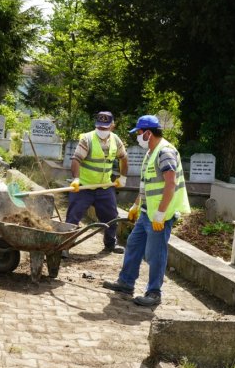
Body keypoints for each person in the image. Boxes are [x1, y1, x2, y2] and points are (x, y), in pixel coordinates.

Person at [102, 114, 190, 307]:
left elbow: (170, 184)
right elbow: (146, 186)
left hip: (160, 215)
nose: (137, 137)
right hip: (146, 212)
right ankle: (126, 283)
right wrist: (135, 205)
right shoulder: (151, 152)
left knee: (155, 253)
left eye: (139, 133)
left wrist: (161, 213)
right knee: (133, 244)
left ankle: (154, 293)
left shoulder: (165, 152)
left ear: (148, 133)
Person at [66, 111, 129, 255]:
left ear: (112, 126)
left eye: (105, 128)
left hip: (105, 187)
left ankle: (110, 244)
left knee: (112, 217)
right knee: (73, 217)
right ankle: (65, 246)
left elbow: (123, 158)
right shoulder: (87, 139)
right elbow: (76, 160)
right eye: (99, 127)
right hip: (84, 187)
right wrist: (76, 179)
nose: (101, 130)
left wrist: (123, 177)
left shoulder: (116, 140)